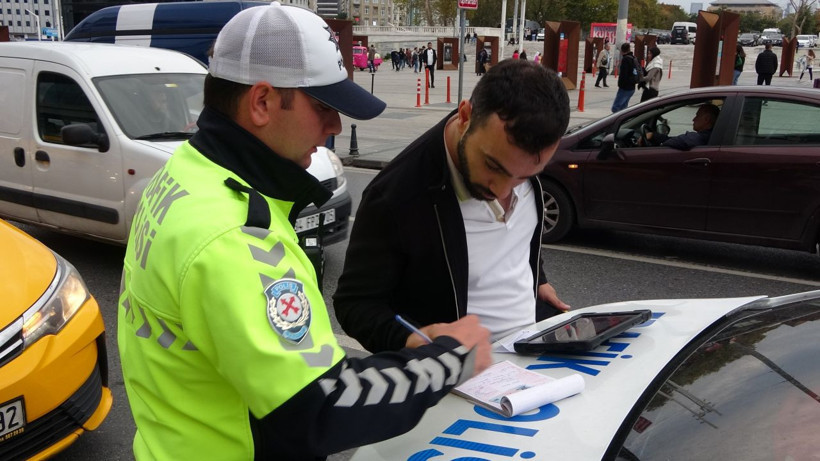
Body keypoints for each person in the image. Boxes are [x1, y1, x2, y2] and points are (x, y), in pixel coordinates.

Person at [117, 4, 492, 460]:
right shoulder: (233, 234)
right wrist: (447, 360)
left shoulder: (188, 172)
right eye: (322, 107)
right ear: (261, 102)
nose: (335, 126)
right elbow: (319, 408)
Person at [333, 59, 572, 353]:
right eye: (492, 166)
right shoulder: (395, 197)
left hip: (534, 350)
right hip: (461, 376)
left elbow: (520, 237)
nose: (502, 190)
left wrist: (538, 278)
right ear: (465, 116)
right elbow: (354, 304)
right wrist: (416, 339)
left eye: (524, 178)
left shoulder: (517, 154)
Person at [645, 103, 719, 150]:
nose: (693, 119)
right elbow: (674, 139)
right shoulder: (713, 135)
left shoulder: (701, 138)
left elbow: (679, 141)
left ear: (706, 119)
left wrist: (662, 145)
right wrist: (654, 136)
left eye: (697, 116)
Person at [611, 42, 640, 113]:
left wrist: (621, 84)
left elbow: (624, 74)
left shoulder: (625, 60)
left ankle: (616, 122)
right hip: (632, 87)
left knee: (615, 108)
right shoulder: (634, 58)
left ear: (622, 51)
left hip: (625, 87)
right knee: (623, 108)